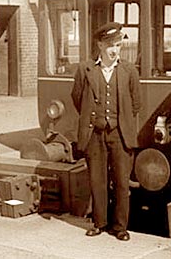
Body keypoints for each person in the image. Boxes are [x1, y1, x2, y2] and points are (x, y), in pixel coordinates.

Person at [71, 22, 141, 241]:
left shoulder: (129, 70)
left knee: (121, 182)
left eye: (118, 45)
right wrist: (94, 119)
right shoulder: (86, 69)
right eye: (110, 45)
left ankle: (120, 227)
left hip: (120, 135)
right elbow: (77, 98)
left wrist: (120, 122)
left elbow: (136, 103)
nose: (114, 50)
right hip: (95, 135)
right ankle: (99, 223)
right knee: (97, 180)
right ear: (100, 45)